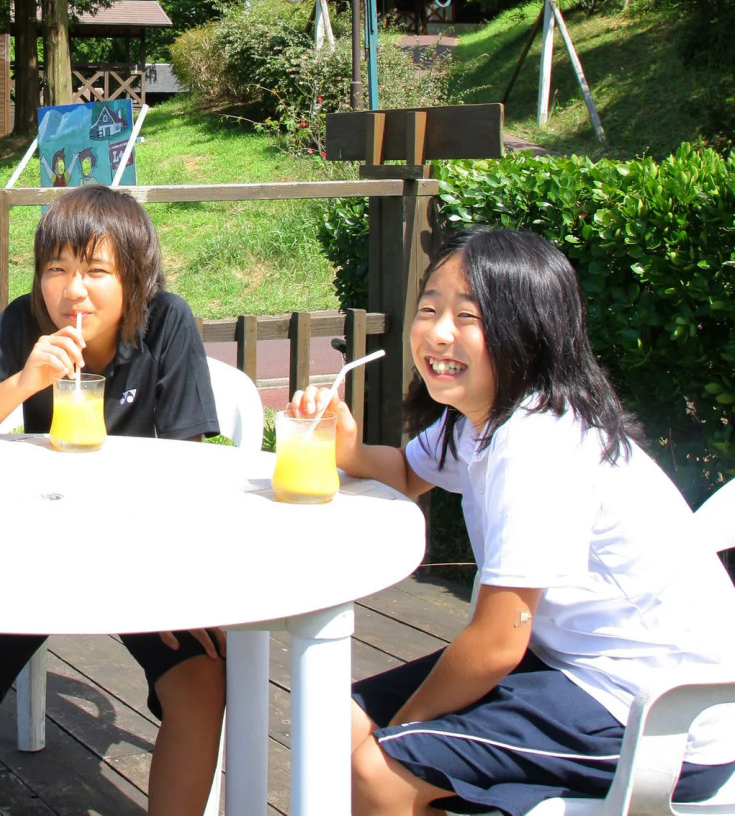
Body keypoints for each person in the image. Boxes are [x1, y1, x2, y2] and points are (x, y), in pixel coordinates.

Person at [290, 224, 735, 816]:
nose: (437, 333)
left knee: (378, 769)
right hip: (568, 664)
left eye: (468, 317)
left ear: (528, 331)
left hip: (660, 708)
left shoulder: (538, 443)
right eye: (428, 308)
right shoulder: (478, 415)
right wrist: (342, 444)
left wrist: (404, 729)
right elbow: (405, 473)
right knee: (332, 720)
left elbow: (499, 641)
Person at [0, 183, 225, 816]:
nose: (73, 290)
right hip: (35, 551)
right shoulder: (25, 323)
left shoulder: (166, 323)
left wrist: (192, 579)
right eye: (57, 269)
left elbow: (194, 465)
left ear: (135, 277)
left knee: (204, 680)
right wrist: (24, 381)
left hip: (139, 554)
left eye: (96, 270)